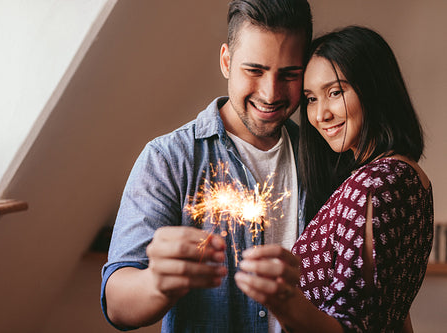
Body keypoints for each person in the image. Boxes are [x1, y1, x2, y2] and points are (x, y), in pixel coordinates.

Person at [100, 0, 312, 331]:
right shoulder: (169, 159)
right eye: (254, 70)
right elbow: (116, 303)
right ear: (226, 61)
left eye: (289, 74)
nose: (271, 93)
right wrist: (157, 281)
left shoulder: (320, 157)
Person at [234, 25, 434, 332]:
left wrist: (283, 298)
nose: (320, 115)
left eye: (335, 92)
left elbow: (349, 325)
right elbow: (389, 314)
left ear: (374, 88)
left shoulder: (371, 186)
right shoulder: (408, 177)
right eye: (311, 99)